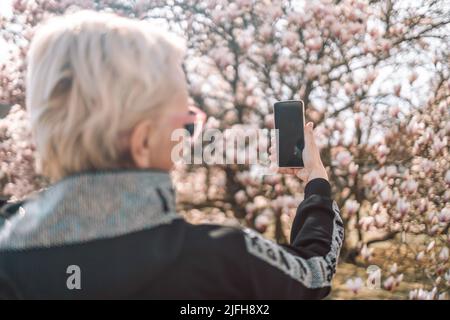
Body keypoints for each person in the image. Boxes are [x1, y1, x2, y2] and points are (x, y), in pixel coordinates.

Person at [0, 11, 343, 299]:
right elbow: (315, 271)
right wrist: (317, 183)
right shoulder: (220, 259)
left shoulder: (8, 244)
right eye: (187, 123)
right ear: (142, 142)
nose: (190, 140)